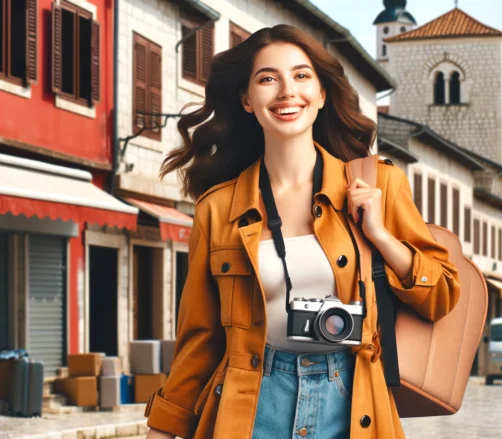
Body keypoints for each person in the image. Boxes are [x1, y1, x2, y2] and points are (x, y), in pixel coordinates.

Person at [143, 25, 460, 439]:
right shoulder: (217, 209)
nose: (286, 91)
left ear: (322, 93)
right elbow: (199, 338)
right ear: (246, 99)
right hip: (250, 403)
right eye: (268, 78)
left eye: (301, 75)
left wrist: (381, 236)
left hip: (352, 400)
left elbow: (441, 296)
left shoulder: (378, 185)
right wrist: (164, 428)